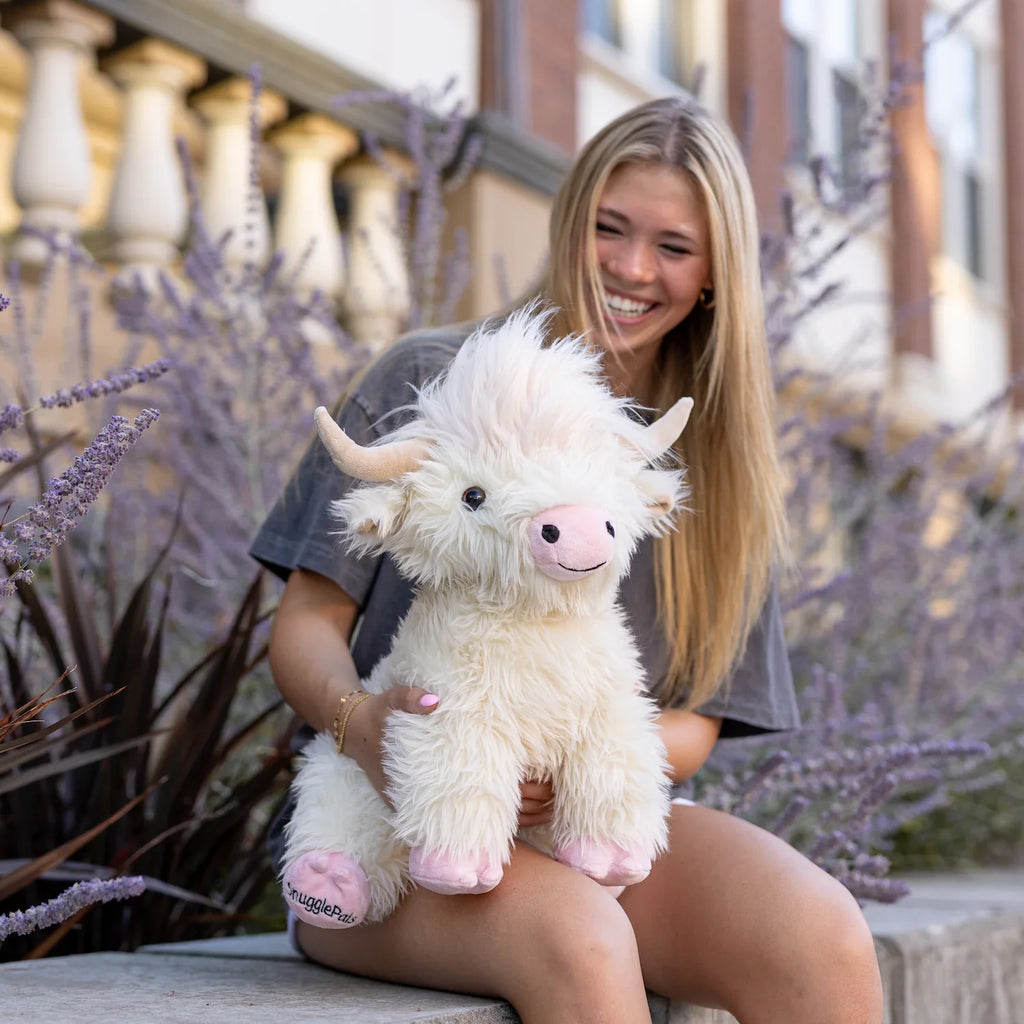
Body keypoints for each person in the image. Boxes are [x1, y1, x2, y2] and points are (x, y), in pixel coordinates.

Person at [250, 96, 884, 1024]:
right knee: (582, 942)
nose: (631, 269)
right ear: (569, 220)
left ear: (714, 274)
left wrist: (558, 769)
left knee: (821, 933)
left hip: (584, 826)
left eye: (673, 246)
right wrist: (367, 726)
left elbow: (695, 721)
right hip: (384, 841)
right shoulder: (422, 381)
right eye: (609, 228)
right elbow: (305, 625)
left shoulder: (717, 464)